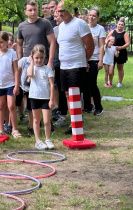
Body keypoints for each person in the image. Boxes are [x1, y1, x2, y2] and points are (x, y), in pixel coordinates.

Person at [56, 0, 94, 135]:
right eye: (58, 11)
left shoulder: (80, 23)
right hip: (64, 67)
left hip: (76, 66)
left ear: (70, 10)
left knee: (75, 95)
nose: (59, 13)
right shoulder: (61, 26)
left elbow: (90, 45)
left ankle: (77, 124)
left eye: (62, 10)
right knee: (67, 94)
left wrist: (85, 60)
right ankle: (74, 123)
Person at [0, 31, 22, 138]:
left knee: (11, 106)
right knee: (1, 106)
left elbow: (16, 70)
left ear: (7, 42)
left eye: (2, 42)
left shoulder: (12, 53)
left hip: (10, 84)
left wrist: (16, 85)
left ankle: (14, 129)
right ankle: (1, 129)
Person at [27, 44, 55, 150]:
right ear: (33, 57)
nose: (39, 60)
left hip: (45, 98)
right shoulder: (32, 68)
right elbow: (30, 74)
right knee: (36, 120)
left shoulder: (47, 69)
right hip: (34, 97)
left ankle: (48, 139)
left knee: (47, 121)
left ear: (44, 57)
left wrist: (51, 99)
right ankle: (37, 140)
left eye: (41, 58)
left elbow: (52, 84)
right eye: (36, 58)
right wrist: (31, 62)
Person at [17, 0, 56, 68]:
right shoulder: (21, 26)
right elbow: (19, 44)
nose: (33, 12)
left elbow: (52, 42)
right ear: (25, 12)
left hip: (43, 62)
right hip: (27, 62)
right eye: (30, 10)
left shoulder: (45, 23)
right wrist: (20, 61)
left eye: (35, 9)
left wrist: (50, 62)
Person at [87, 8, 105, 116]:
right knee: (85, 84)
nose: (91, 17)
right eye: (90, 15)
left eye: (94, 15)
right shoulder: (84, 27)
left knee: (92, 83)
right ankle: (88, 106)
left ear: (97, 17)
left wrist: (100, 60)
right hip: (84, 59)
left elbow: (102, 45)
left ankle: (98, 107)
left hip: (94, 59)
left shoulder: (100, 29)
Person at [52, 9, 68, 128]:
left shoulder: (71, 27)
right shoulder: (55, 30)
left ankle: (76, 116)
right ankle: (63, 116)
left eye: (57, 16)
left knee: (71, 91)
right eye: (54, 16)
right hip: (58, 64)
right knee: (62, 90)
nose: (55, 18)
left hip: (71, 64)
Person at [106, 17, 130, 87]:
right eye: (119, 24)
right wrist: (108, 45)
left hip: (121, 53)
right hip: (111, 52)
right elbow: (106, 39)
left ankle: (119, 83)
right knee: (111, 67)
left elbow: (127, 43)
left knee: (120, 67)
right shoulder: (113, 32)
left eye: (122, 25)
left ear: (124, 26)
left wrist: (120, 48)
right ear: (117, 24)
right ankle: (110, 82)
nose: (120, 26)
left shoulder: (125, 34)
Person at [18, 56, 34, 135]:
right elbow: (17, 71)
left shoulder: (36, 62)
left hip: (33, 89)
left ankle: (32, 127)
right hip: (20, 86)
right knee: (15, 105)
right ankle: (10, 126)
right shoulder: (24, 60)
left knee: (31, 108)